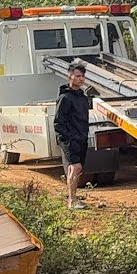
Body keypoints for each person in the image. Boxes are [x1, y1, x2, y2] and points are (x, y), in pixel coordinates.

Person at [55, 63, 90, 210]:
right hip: (70, 140)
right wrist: (67, 139)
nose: (81, 79)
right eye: (77, 76)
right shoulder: (65, 98)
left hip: (81, 138)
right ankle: (72, 201)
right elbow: (58, 123)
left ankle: (73, 198)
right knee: (75, 168)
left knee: (76, 169)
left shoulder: (82, 97)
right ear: (69, 77)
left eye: (82, 76)